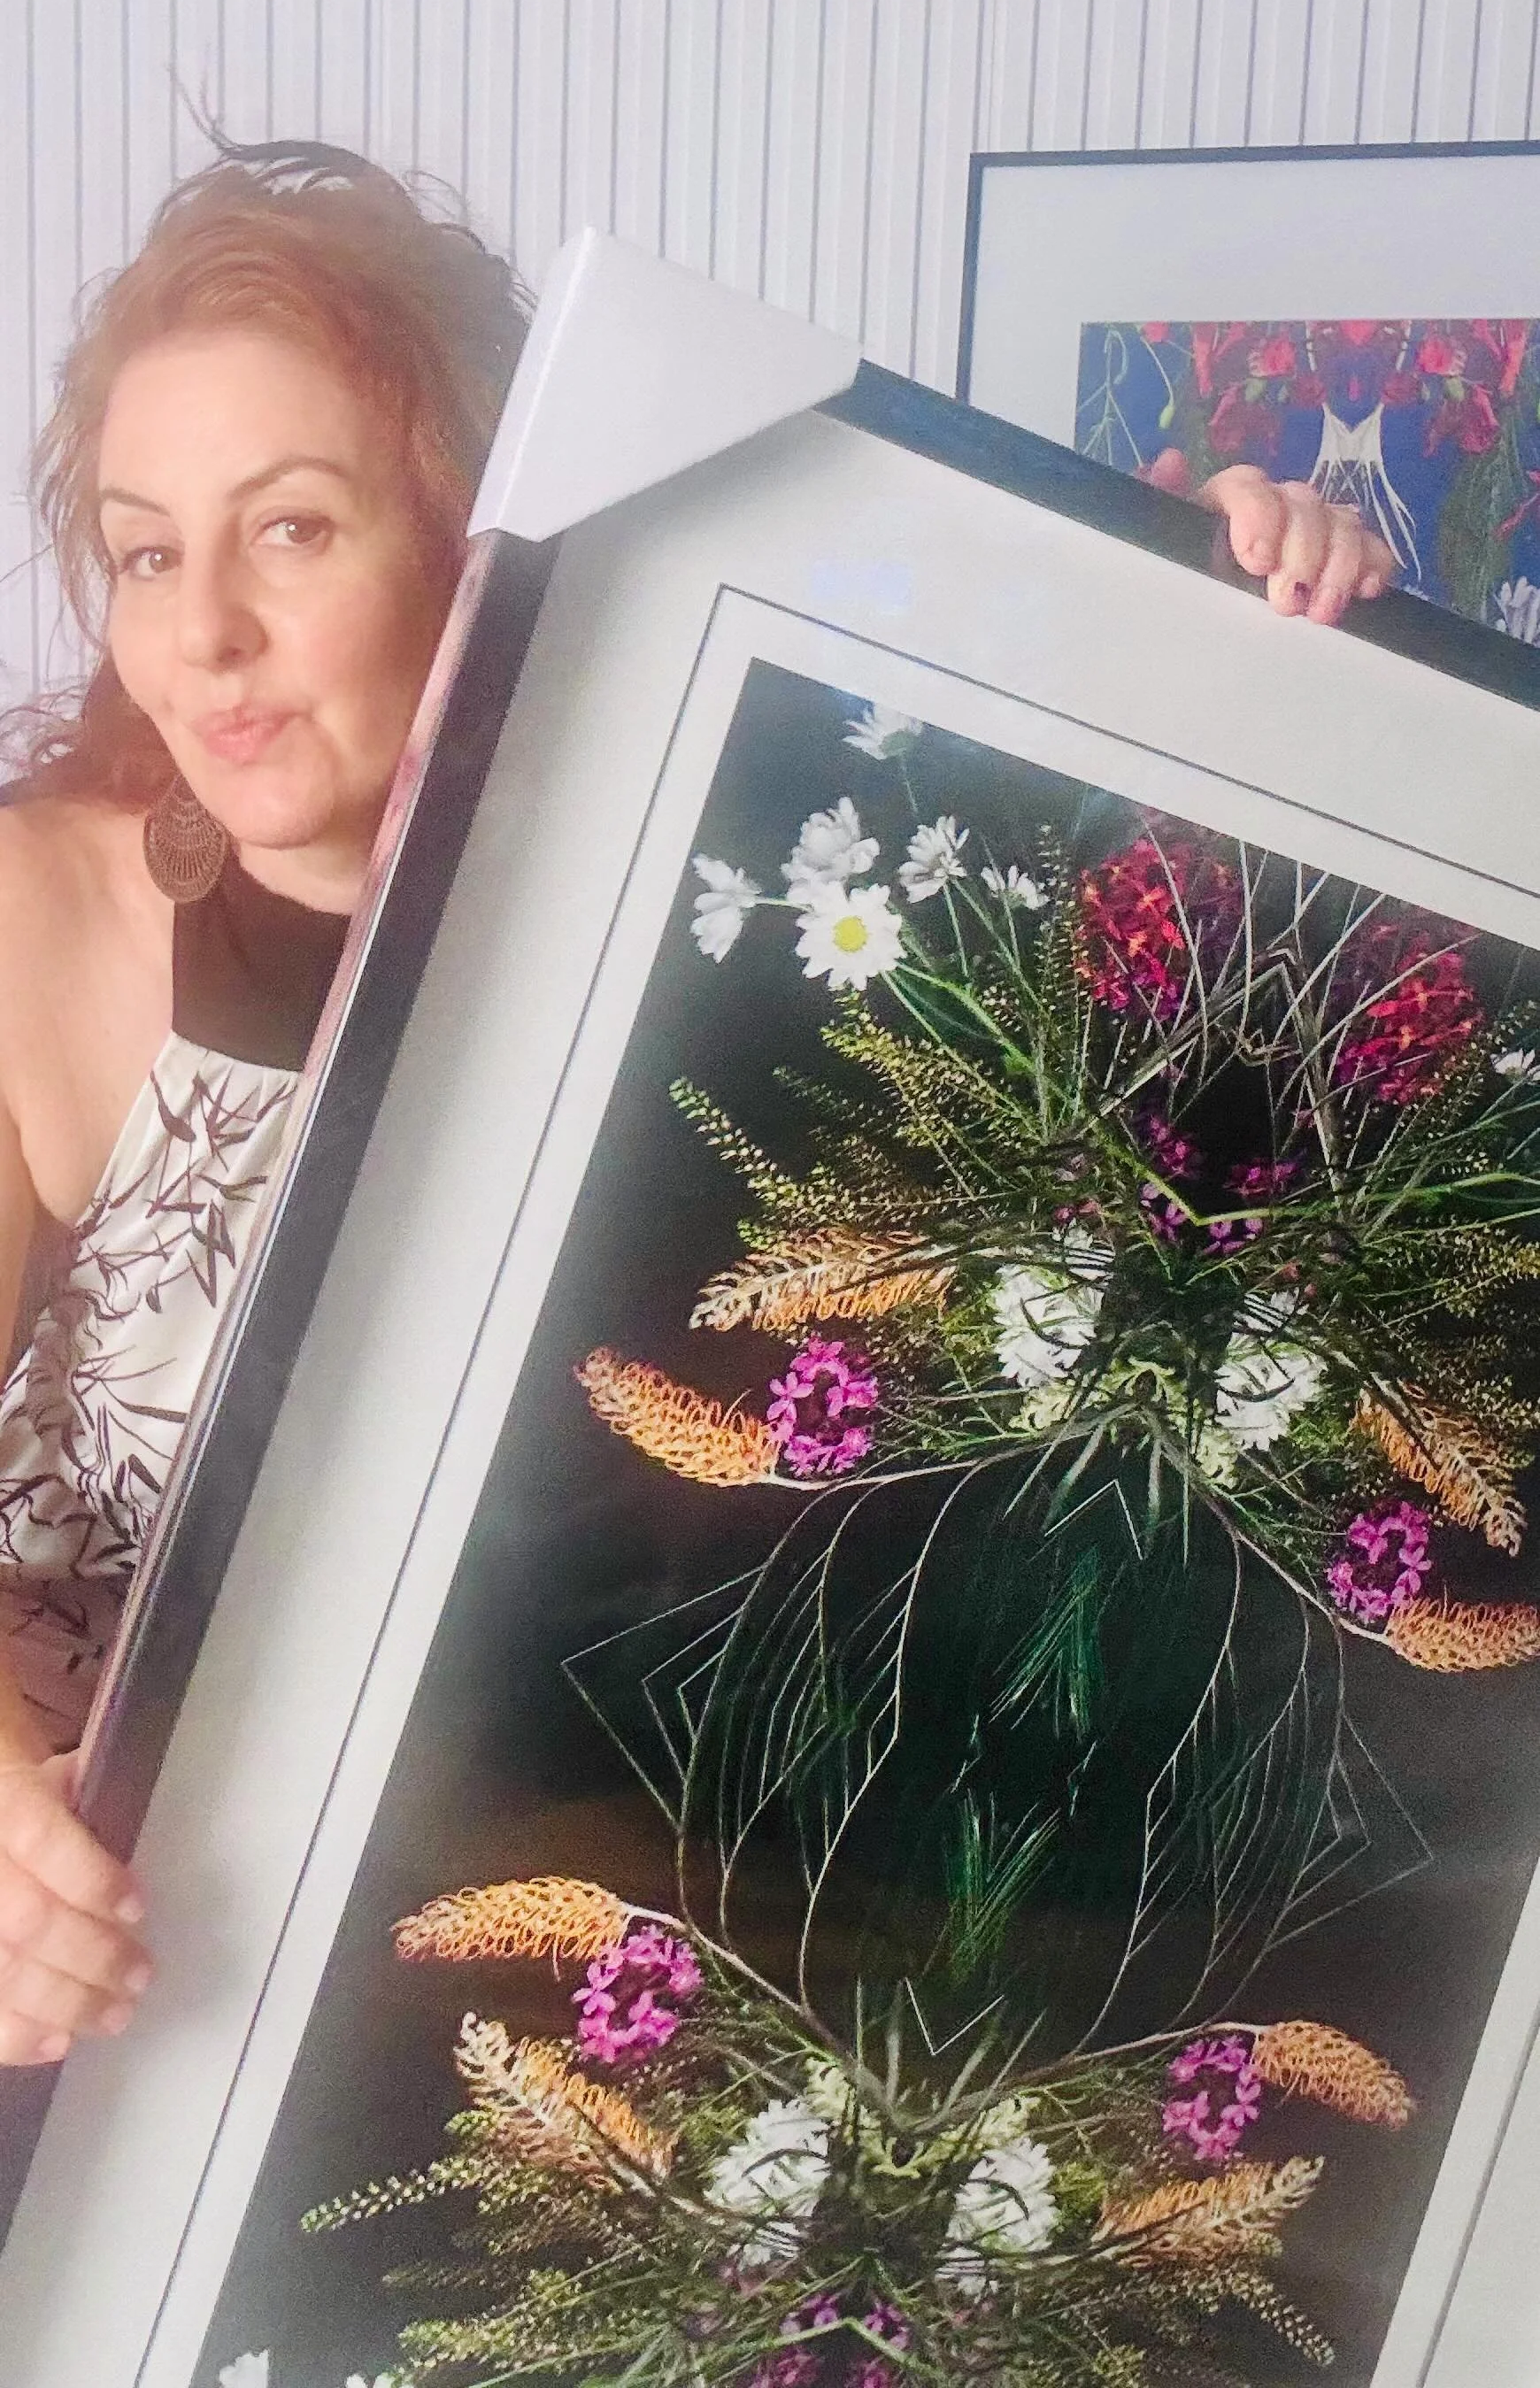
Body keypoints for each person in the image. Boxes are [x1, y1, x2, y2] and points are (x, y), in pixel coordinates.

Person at [0, 137, 1393, 2069]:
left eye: (293, 529)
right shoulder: (43, 922)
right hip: (103, 1989)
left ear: (478, 531)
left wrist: (1217, 614)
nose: (203, 630)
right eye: (151, 551)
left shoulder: (734, 916)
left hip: (560, 1971)